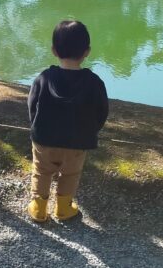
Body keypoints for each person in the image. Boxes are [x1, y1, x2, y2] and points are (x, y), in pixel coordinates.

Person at [26, 20, 108, 223]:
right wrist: (91, 130)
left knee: (42, 171)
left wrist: (36, 126)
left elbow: (32, 105)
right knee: (70, 174)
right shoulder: (94, 82)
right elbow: (101, 112)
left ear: (54, 50)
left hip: (44, 138)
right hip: (77, 141)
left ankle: (39, 207)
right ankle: (63, 208)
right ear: (87, 51)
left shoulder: (44, 78)